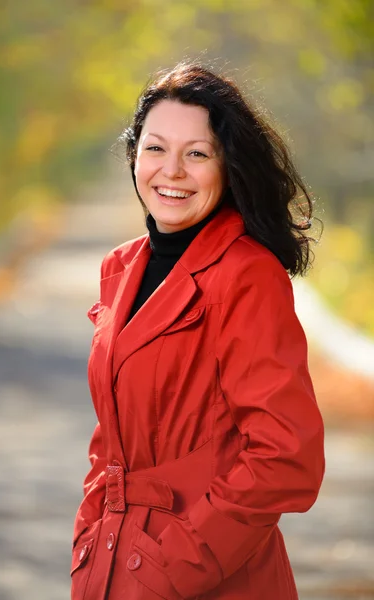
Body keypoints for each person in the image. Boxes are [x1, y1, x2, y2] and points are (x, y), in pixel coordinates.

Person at [71, 61, 325, 600]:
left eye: (198, 154)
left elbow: (285, 458)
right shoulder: (119, 267)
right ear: (134, 155)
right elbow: (112, 438)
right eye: (156, 148)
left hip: (211, 575)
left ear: (227, 167)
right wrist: (90, 538)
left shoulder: (247, 274)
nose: (173, 171)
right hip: (114, 565)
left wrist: (172, 568)